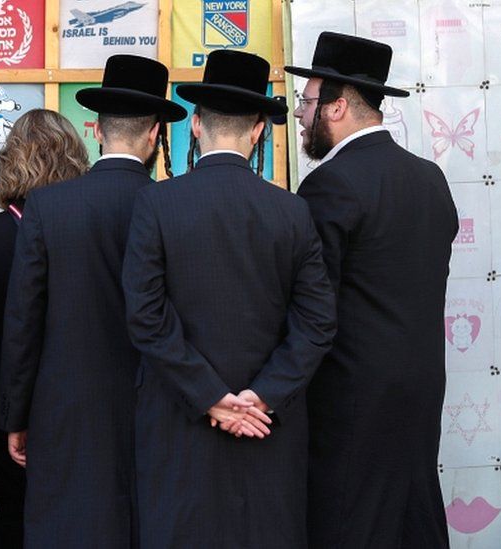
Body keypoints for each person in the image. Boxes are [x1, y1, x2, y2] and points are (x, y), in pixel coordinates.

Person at [121, 50, 337, 548]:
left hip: (180, 428)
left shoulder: (156, 203)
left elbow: (146, 318)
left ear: (195, 126)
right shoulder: (292, 213)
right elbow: (317, 324)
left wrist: (212, 399)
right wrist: (261, 397)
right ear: (259, 130)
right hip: (267, 431)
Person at [0, 54, 186, 548]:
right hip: (161, 408)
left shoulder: (48, 207)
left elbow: (23, 321)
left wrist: (16, 415)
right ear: (153, 136)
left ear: (98, 131)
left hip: (66, 411)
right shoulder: (176, 206)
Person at [286, 31, 458, 549]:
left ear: (337, 106)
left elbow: (313, 309)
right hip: (421, 393)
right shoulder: (431, 180)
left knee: (348, 527)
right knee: (413, 522)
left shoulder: (329, 186)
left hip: (349, 406)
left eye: (307, 101)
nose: (298, 114)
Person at [0, 108, 89, 548]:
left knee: (14, 523)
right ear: (72, 159)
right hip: (82, 402)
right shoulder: (92, 231)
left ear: (11, 160)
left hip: (4, 406)